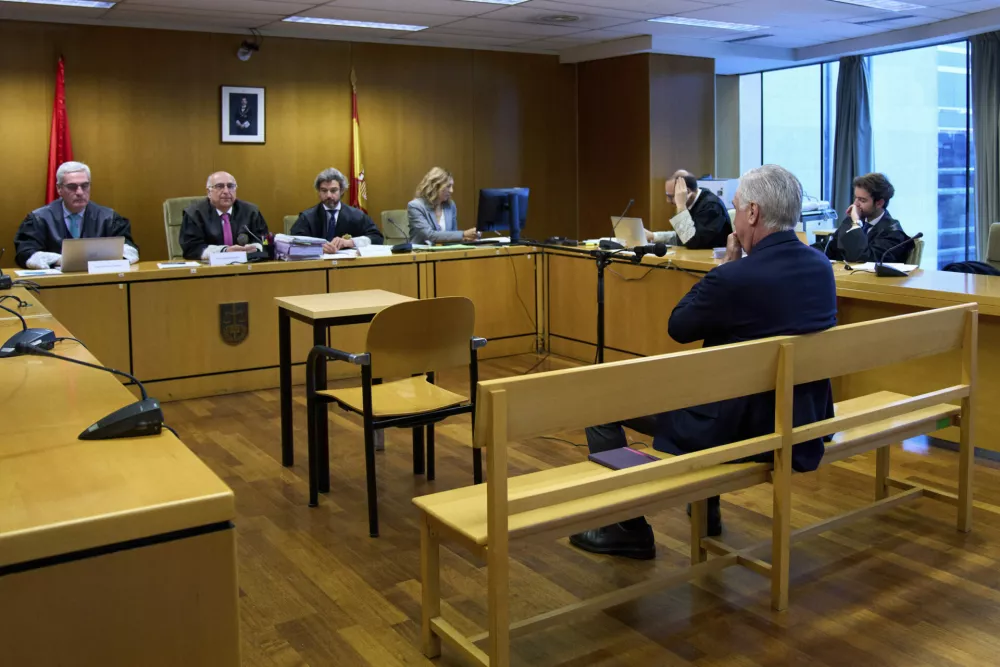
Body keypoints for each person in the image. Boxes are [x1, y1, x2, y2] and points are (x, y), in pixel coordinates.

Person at [571, 164, 838, 560]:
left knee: (599, 403)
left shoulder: (736, 278)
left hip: (732, 430)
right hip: (799, 420)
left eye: (735, 209)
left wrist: (726, 268)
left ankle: (626, 527)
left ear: (752, 213)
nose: (733, 219)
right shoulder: (821, 268)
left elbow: (679, 326)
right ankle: (705, 512)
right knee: (718, 387)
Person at [14, 161, 139, 269]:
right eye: (72, 187)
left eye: (85, 186)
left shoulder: (110, 218)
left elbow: (130, 251)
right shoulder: (38, 219)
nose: (79, 192)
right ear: (59, 189)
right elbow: (25, 254)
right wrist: (60, 260)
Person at [179, 171, 269, 261]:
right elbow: (191, 249)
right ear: (209, 192)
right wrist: (224, 251)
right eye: (219, 186)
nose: (226, 191)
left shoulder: (251, 212)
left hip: (247, 267)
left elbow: (265, 240)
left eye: (230, 186)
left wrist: (255, 248)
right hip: (209, 270)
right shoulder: (194, 214)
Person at [290, 167, 383, 252]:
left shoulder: (357, 216)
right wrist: (318, 247)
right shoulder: (307, 217)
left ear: (342, 191)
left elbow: (377, 238)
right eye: (324, 190)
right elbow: (293, 242)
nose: (328, 195)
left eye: (333, 190)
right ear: (318, 192)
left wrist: (350, 242)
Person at [823, 173, 910, 264]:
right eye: (856, 198)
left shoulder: (893, 232)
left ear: (879, 203)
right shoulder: (856, 220)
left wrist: (856, 222)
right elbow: (831, 248)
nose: (856, 204)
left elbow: (863, 259)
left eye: (862, 200)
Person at [645, 170, 731, 250]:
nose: (668, 201)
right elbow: (681, 237)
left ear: (687, 192)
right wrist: (653, 236)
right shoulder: (692, 204)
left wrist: (681, 206)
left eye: (671, 196)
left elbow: (691, 241)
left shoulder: (711, 206)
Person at [407, 167, 478, 245]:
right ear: (435, 186)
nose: (451, 190)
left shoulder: (450, 206)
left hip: (446, 254)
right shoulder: (415, 206)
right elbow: (429, 235)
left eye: (452, 186)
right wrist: (463, 234)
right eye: (448, 186)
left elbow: (452, 236)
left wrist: (466, 239)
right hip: (421, 255)